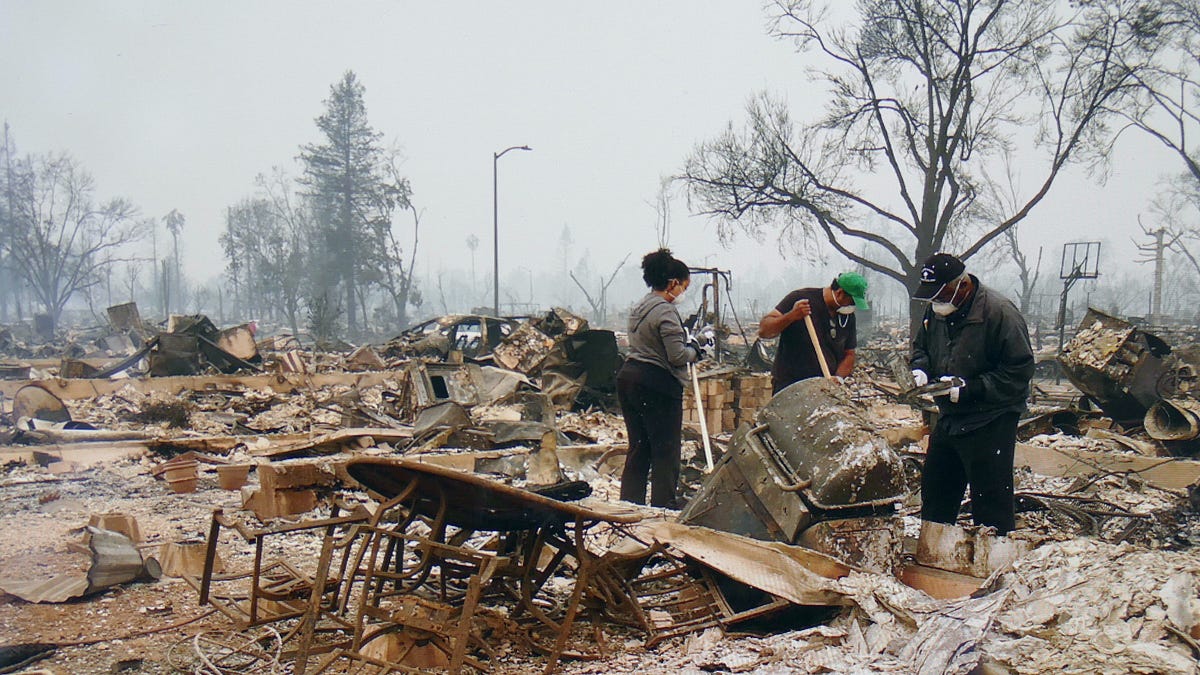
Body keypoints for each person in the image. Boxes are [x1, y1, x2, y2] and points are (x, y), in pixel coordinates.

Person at [910, 252, 1034, 535]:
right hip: (950, 417)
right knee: (937, 488)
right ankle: (934, 550)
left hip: (991, 418)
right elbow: (921, 347)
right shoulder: (937, 310)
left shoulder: (999, 312)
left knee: (990, 499)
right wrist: (920, 368)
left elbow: (1020, 371)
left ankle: (993, 559)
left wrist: (971, 389)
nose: (935, 303)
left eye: (940, 296)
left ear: (962, 286)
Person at [617, 248, 705, 509]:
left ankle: (628, 507)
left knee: (639, 449)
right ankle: (662, 510)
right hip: (657, 385)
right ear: (673, 283)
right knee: (665, 452)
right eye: (684, 286)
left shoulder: (640, 306)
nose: (683, 293)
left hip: (629, 378)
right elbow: (677, 355)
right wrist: (699, 349)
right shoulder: (665, 311)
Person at [759, 272, 870, 394]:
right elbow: (764, 331)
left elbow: (849, 354)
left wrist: (838, 378)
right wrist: (791, 316)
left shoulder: (847, 316)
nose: (852, 307)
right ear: (839, 293)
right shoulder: (801, 299)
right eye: (851, 302)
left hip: (823, 389)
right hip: (790, 385)